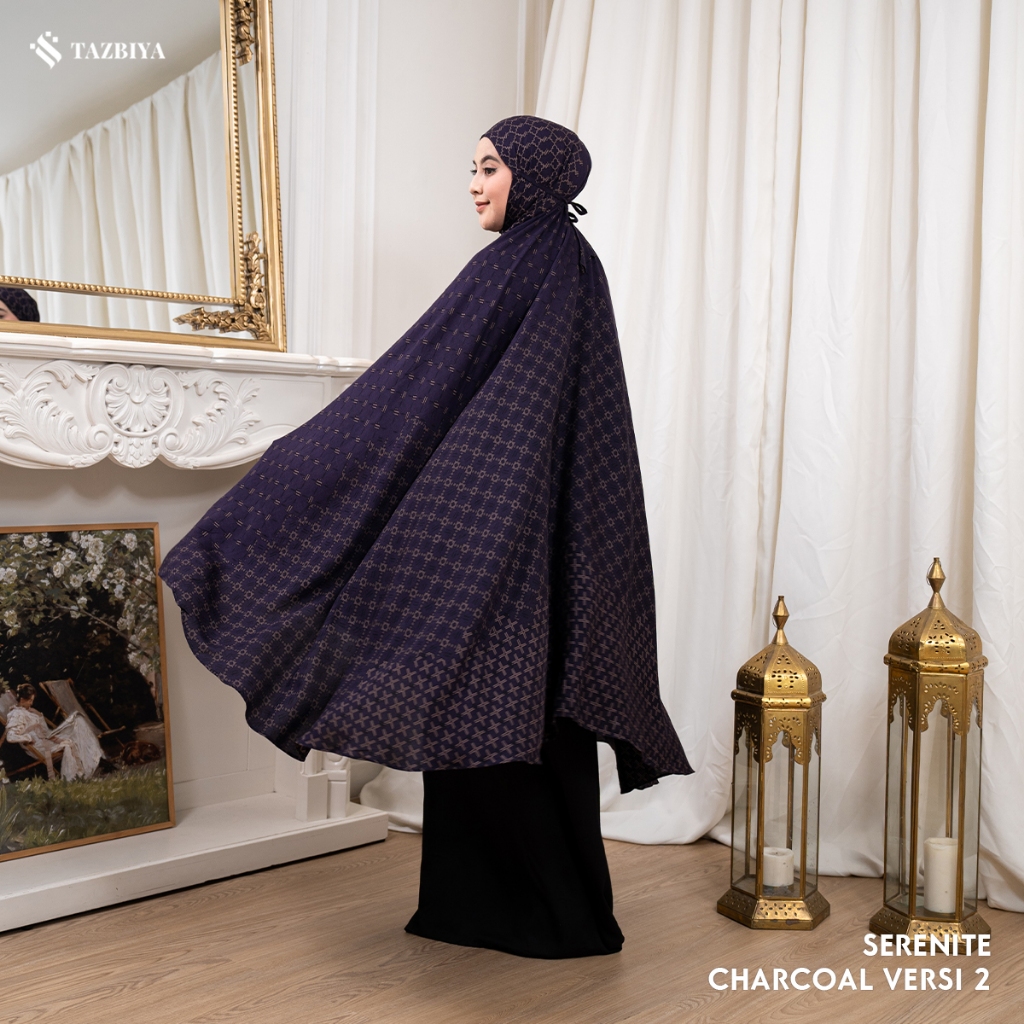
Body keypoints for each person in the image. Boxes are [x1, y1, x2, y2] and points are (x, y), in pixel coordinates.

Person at [160, 115, 692, 958]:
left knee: (483, 707)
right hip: (541, 535)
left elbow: (418, 382)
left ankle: (503, 913)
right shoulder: (572, 263)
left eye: (490, 168)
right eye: (474, 168)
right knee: (520, 716)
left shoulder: (518, 264)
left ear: (535, 175)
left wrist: (311, 455)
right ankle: (548, 914)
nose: (474, 185)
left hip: (498, 530)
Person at [4, 683, 103, 781]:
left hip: (46, 738)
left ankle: (88, 767)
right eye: (30, 700)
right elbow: (11, 736)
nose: (31, 703)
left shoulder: (28, 711)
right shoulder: (16, 714)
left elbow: (45, 731)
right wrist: (29, 738)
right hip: (39, 746)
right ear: (22, 699)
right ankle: (73, 777)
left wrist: (39, 716)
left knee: (78, 720)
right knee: (69, 742)